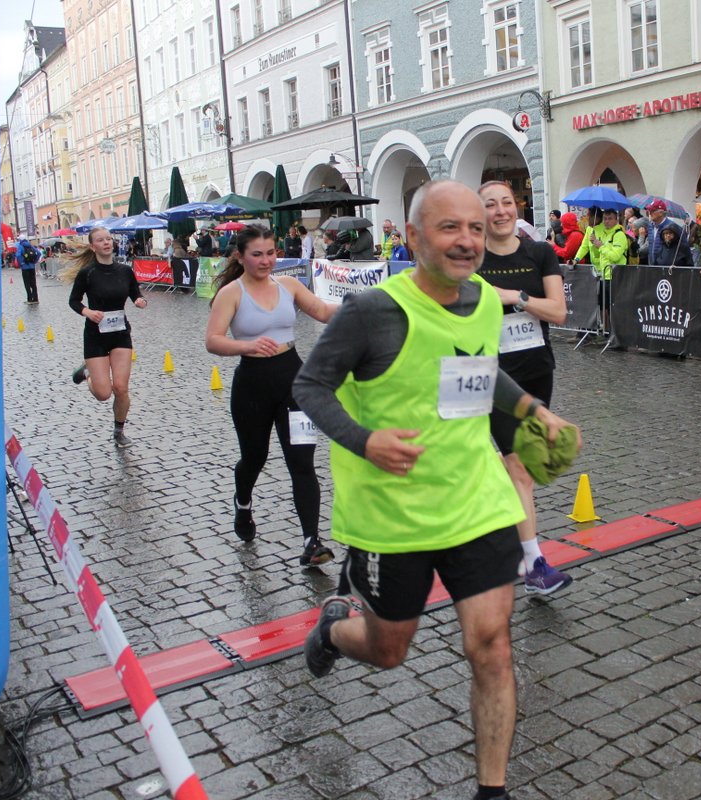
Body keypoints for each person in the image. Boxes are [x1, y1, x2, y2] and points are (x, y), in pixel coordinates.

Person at [295, 181, 580, 800]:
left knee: (492, 646)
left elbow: (476, 368)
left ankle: (492, 791)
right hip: (393, 514)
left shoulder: (482, 300)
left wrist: (532, 409)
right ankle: (334, 630)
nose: (467, 240)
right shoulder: (372, 311)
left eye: (475, 228)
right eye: (451, 227)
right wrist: (364, 439)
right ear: (414, 236)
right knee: (389, 649)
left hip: (476, 499)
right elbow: (309, 386)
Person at [205, 225, 340, 560]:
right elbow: (213, 341)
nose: (266, 261)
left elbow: (323, 312)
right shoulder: (231, 293)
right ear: (240, 256)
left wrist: (364, 305)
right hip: (252, 385)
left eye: (271, 253)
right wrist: (247, 346)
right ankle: (243, 502)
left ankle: (311, 541)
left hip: (295, 382)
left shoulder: (288, 285)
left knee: (302, 461)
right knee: (255, 457)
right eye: (257, 255)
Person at [477, 180, 572, 595]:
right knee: (518, 468)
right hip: (490, 377)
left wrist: (513, 297)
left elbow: (559, 312)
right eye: (490, 205)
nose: (500, 211)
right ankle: (534, 564)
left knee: (521, 469)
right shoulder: (471, 259)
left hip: (536, 371)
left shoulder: (540, 253)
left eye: (507, 202)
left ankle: (512, 537)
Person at [65, 226, 147, 446]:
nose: (106, 243)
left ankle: (119, 431)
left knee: (120, 387)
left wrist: (140, 301)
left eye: (108, 239)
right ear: (93, 246)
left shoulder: (125, 271)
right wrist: (88, 312)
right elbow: (73, 301)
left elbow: (136, 294)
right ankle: (87, 373)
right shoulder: (88, 273)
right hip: (95, 336)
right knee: (103, 393)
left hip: (120, 334)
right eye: (100, 240)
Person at [574, 207, 629, 331]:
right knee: (601, 304)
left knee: (611, 306)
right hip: (601, 273)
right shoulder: (594, 230)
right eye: (605, 219)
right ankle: (604, 331)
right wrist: (577, 258)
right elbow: (588, 248)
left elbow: (614, 255)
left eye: (610, 219)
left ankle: (614, 332)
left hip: (613, 274)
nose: (607, 221)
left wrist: (599, 245)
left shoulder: (617, 233)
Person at [645, 200, 679, 266]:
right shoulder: (650, 226)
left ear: (660, 213)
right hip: (652, 265)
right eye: (649, 211)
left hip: (665, 266)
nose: (650, 213)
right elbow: (650, 245)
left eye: (652, 211)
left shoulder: (672, 227)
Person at [16, 237, 41, 303]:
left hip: (25, 267)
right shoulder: (30, 245)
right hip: (32, 267)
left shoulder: (20, 246)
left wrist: (21, 263)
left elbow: (18, 255)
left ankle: (29, 299)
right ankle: (35, 299)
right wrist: (34, 261)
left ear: (20, 240)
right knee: (33, 283)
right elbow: (39, 253)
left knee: (27, 284)